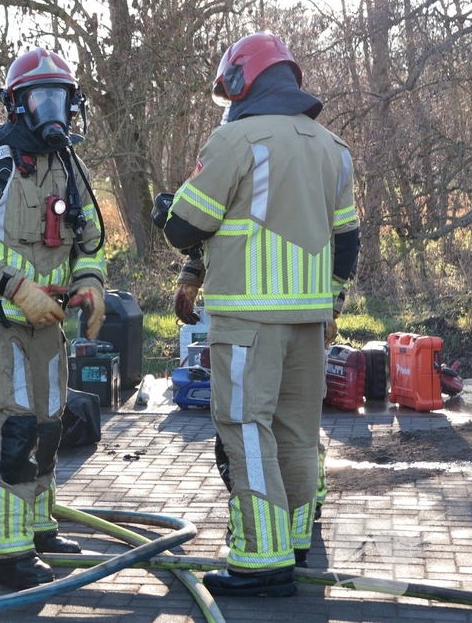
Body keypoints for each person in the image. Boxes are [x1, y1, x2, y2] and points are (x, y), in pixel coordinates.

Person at [160, 31, 360, 597]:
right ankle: (293, 541)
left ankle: (260, 560)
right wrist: (332, 302)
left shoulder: (234, 141)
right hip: (310, 322)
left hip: (248, 320)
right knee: (298, 431)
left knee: (246, 429)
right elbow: (348, 243)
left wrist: (168, 214)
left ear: (243, 82)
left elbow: (184, 228)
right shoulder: (333, 148)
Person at [0, 46, 106, 590]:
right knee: (12, 431)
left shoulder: (68, 164)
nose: (51, 109)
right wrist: (17, 288)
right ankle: (7, 557)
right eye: (40, 98)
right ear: (16, 104)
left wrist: (90, 284)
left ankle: (38, 527)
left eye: (60, 97)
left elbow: (91, 240)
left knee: (50, 424)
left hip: (48, 322)